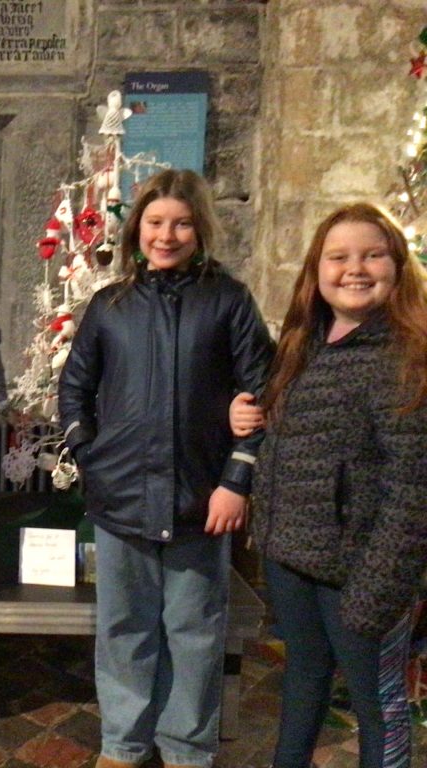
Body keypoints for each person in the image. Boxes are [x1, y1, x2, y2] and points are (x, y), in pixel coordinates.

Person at [58, 168, 274, 768]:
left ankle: (187, 749)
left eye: (181, 223)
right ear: (138, 229)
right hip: (120, 498)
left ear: (199, 229)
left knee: (195, 632)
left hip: (201, 500)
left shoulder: (228, 301)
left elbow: (262, 393)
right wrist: (89, 455)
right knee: (124, 629)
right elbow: (75, 387)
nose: (167, 235)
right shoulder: (110, 306)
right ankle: (123, 744)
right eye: (156, 222)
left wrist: (236, 481)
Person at [229, 203, 427, 768]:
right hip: (294, 559)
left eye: (372, 255)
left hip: (362, 574)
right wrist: (247, 415)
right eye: (339, 257)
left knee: (378, 708)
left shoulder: (408, 357)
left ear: (397, 265)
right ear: (317, 270)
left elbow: (414, 491)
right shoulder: (304, 342)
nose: (354, 269)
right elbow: (291, 429)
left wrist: (376, 592)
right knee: (303, 682)